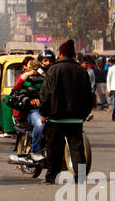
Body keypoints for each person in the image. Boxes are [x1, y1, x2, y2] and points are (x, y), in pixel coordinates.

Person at [39, 39, 94, 184]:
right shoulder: (81, 71)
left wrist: (44, 113)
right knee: (77, 148)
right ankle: (80, 177)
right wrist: (84, 114)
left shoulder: (53, 70)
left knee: (54, 149)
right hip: (76, 118)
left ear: (61, 54)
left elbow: (45, 94)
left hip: (56, 117)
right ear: (73, 55)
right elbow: (89, 95)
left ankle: (52, 176)